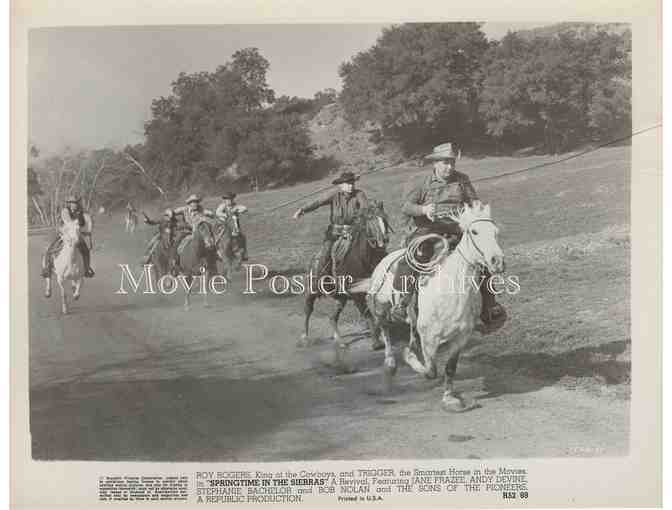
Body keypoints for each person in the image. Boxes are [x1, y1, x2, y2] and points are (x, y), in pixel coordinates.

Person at [391, 142, 505, 325]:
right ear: (435, 163)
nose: (449, 167)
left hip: (457, 228)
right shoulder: (420, 182)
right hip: (427, 229)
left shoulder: (462, 179)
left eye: (451, 162)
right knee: (414, 256)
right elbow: (405, 206)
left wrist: (476, 210)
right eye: (444, 162)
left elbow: (474, 200)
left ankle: (489, 305)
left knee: (480, 255)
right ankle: (402, 302)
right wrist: (423, 209)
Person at [293, 171, 369, 276]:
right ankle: (318, 280)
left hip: (354, 231)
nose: (350, 186)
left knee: (368, 252)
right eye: (347, 184)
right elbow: (317, 202)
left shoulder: (359, 194)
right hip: (335, 233)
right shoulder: (334, 194)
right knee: (325, 255)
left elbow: (365, 208)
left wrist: (359, 220)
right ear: (341, 185)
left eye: (352, 183)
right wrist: (302, 210)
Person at [41, 195, 95, 278]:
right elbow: (68, 222)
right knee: (50, 248)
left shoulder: (80, 212)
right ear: (69, 203)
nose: (75, 204)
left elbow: (82, 223)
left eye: (76, 203)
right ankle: (47, 268)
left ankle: (87, 269)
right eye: (73, 203)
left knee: (86, 251)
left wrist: (82, 220)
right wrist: (77, 222)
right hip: (64, 232)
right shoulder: (65, 211)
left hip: (75, 234)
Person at [215, 191, 249, 261]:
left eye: (230, 199)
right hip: (224, 224)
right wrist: (224, 215)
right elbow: (217, 212)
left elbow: (244, 208)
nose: (229, 201)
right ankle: (217, 252)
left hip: (235, 225)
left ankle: (244, 253)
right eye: (227, 199)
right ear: (224, 200)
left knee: (243, 237)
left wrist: (237, 210)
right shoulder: (223, 206)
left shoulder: (235, 206)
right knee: (218, 236)